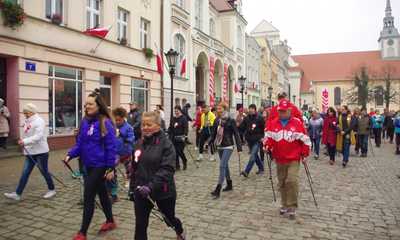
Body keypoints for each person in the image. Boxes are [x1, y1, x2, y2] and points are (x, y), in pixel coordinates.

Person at [64, 89, 118, 240]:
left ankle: (82, 233)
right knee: (102, 194)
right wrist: (70, 155)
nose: (87, 106)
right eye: (86, 104)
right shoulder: (85, 122)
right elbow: (80, 143)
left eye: (90, 104)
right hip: (88, 164)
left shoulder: (105, 122)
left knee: (88, 196)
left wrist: (110, 167)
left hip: (100, 165)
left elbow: (111, 148)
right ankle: (111, 221)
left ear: (99, 105)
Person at [129, 111, 185, 240]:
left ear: (158, 125)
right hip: (142, 192)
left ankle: (179, 229)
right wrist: (132, 190)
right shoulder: (138, 144)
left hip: (163, 191)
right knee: (140, 226)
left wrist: (151, 186)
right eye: (143, 125)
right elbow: (135, 169)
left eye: (149, 125)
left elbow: (166, 170)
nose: (145, 128)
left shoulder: (166, 144)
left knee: (169, 220)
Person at [263, 99, 311, 218]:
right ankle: (285, 204)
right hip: (279, 158)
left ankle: (293, 206)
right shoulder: (273, 123)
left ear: (290, 110)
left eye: (285, 111)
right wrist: (267, 146)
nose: (282, 113)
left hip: (293, 157)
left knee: (291, 180)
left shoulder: (297, 123)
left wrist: (304, 154)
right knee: (282, 182)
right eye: (280, 111)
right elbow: (268, 138)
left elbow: (305, 140)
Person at [4, 103, 56, 201]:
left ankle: (52, 189)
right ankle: (17, 193)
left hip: (41, 151)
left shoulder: (39, 121)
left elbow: (38, 136)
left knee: (44, 172)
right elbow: (28, 136)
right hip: (30, 152)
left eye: (26, 113)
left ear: (32, 112)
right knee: (25, 172)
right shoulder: (28, 122)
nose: (25, 115)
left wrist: (24, 142)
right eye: (24, 113)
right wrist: (23, 144)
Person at [206, 102, 242, 198]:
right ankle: (229, 184)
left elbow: (236, 134)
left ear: (225, 109)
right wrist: (208, 142)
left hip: (228, 146)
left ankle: (218, 188)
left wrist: (239, 148)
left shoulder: (230, 120)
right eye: (217, 109)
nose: (219, 110)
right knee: (225, 166)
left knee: (222, 166)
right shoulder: (216, 120)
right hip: (220, 145)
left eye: (220, 109)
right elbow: (213, 133)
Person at [107, 107, 135, 204]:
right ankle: (113, 191)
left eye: (120, 120)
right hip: (116, 152)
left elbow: (132, 137)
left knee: (129, 168)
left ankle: (130, 186)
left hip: (126, 151)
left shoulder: (127, 127)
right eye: (116, 119)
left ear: (123, 118)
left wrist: (128, 140)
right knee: (112, 168)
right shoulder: (113, 126)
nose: (118, 121)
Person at [239, 103, 265, 177]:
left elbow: (264, 128)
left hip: (257, 139)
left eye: (252, 109)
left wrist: (263, 137)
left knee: (253, 155)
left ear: (255, 110)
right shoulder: (247, 119)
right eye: (249, 109)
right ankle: (261, 167)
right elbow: (242, 128)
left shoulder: (259, 118)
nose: (250, 110)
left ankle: (247, 171)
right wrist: (237, 126)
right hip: (249, 139)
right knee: (255, 155)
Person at [167, 106, 189, 170]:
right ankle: (177, 165)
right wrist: (167, 133)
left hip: (181, 137)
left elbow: (185, 128)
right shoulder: (173, 118)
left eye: (177, 111)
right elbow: (170, 127)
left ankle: (184, 160)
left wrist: (184, 136)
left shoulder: (183, 118)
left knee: (179, 151)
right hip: (174, 137)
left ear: (180, 111)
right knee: (174, 151)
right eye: (175, 111)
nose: (176, 112)